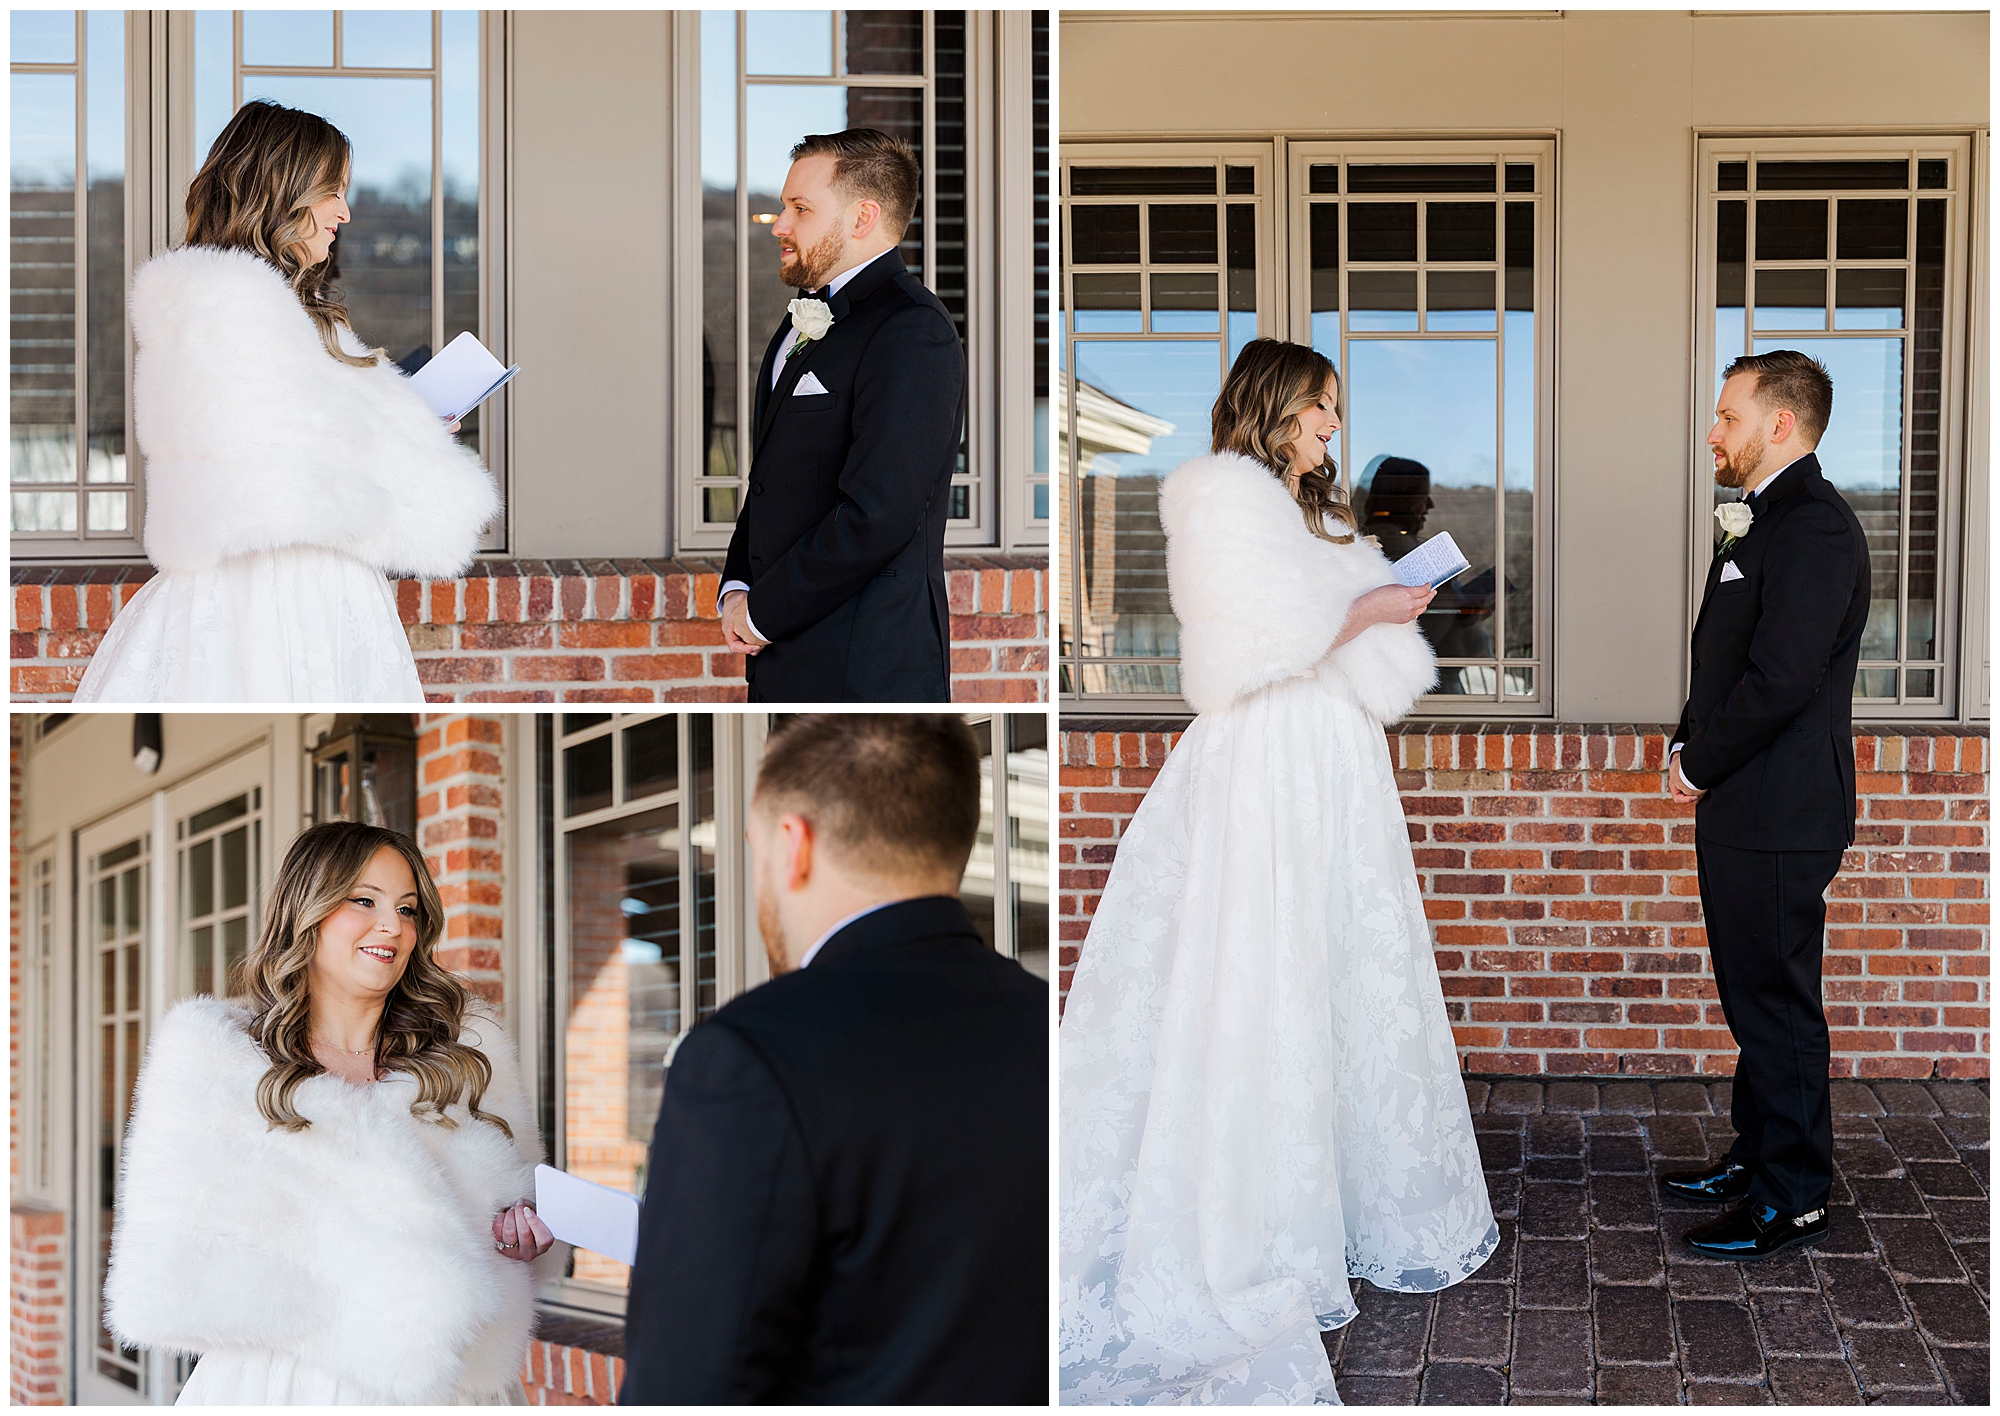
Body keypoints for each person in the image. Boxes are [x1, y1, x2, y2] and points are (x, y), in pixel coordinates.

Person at [1060, 339, 1497, 1405]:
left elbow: (1340, 638)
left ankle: (1335, 1194)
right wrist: (1363, 610)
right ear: (1274, 406)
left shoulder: (1315, 514)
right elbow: (1241, 645)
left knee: (1335, 969)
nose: (1331, 429)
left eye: (1334, 413)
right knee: (1259, 965)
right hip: (1263, 760)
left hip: (1330, 759)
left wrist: (1381, 600)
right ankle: (1250, 1213)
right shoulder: (1217, 499)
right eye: (1319, 410)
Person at [620, 715, 1046, 1403]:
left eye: (753, 848)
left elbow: (687, 1387)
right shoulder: (1049, 1024)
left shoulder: (746, 1056)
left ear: (792, 845)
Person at [104, 822, 559, 1405]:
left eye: (409, 909)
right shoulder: (223, 1066)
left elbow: (503, 1229)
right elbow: (175, 1266)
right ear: (307, 911)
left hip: (456, 1391)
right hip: (290, 1384)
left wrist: (521, 1243)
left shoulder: (464, 1063)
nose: (392, 926)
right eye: (364, 901)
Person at [73, 100, 497, 704]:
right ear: (284, 192)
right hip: (276, 590)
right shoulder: (230, 308)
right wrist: (410, 439)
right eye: (333, 192)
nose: (345, 213)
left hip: (299, 578)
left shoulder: (263, 311)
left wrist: (411, 425)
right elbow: (299, 466)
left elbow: (305, 442)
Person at [1664, 350, 1869, 1260]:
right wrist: (1686, 737)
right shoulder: (1764, 519)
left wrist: (1698, 766)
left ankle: (1795, 1195)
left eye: (1727, 416)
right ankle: (1758, 1157)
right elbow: (1727, 655)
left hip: (1779, 809)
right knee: (1754, 998)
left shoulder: (1815, 528)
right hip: (1745, 804)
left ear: (1779, 424)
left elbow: (1783, 679)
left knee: (1779, 1004)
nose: (1714, 432)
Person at [717, 129, 968, 702]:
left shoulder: (913, 330)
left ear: (863, 217)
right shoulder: (801, 318)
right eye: (784, 207)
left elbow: (877, 513)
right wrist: (737, 586)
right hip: (783, 649)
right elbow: (773, 480)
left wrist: (762, 612)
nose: (779, 225)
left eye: (799, 209)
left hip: (865, 661)